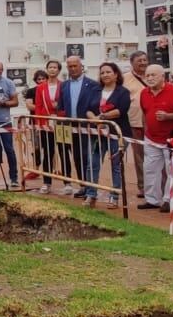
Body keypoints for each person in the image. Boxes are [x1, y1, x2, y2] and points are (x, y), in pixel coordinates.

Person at [139, 65, 173, 212]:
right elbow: (145, 112)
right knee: (150, 169)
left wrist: (169, 116)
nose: (150, 78)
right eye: (147, 75)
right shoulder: (144, 93)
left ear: (163, 77)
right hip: (151, 138)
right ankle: (152, 199)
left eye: (153, 75)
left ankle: (168, 200)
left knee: (172, 171)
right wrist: (146, 129)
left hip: (170, 137)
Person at [92, 62, 135, 207]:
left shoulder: (122, 92)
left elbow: (121, 110)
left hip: (118, 133)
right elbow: (87, 108)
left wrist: (102, 118)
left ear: (116, 74)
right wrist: (94, 119)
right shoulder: (95, 90)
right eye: (102, 72)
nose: (105, 75)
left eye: (108, 72)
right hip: (97, 134)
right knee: (93, 163)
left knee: (116, 165)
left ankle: (114, 196)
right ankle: (91, 193)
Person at [60, 55, 101, 199]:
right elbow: (61, 106)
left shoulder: (93, 84)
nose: (72, 69)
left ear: (81, 66)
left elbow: (95, 106)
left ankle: (91, 188)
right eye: (69, 66)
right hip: (71, 126)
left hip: (87, 126)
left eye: (75, 66)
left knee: (88, 157)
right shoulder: (64, 85)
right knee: (77, 156)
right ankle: (83, 185)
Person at [32, 61, 66, 193]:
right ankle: (47, 182)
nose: (52, 70)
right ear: (47, 69)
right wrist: (41, 124)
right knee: (47, 153)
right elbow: (38, 107)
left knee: (63, 152)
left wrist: (59, 113)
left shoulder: (63, 86)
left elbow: (65, 105)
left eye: (55, 67)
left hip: (61, 123)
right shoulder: (41, 88)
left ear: (59, 70)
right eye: (50, 67)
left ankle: (67, 182)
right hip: (46, 125)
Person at [123, 51, 151, 200]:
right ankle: (143, 186)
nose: (143, 63)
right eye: (139, 60)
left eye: (145, 60)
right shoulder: (125, 78)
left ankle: (157, 185)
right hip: (134, 122)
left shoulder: (152, 74)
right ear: (132, 62)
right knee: (139, 156)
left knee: (155, 155)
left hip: (153, 123)